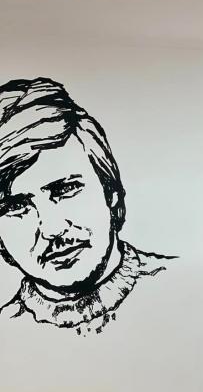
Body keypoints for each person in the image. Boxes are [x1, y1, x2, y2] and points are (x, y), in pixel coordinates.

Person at [0, 77, 176, 335]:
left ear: (111, 192)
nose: (52, 229)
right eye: (16, 207)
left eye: (65, 190)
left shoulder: (182, 287)